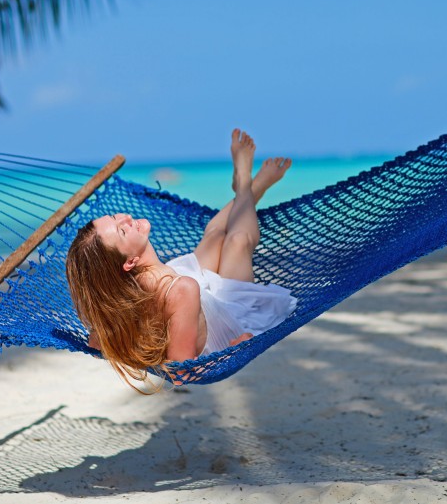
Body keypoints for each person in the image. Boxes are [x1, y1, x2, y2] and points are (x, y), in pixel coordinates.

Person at [65, 129, 296, 390]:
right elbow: (182, 372)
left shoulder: (122, 295)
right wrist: (235, 348)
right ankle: (246, 184)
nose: (126, 218)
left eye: (115, 217)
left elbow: (96, 341)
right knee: (237, 242)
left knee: (215, 234)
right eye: (121, 230)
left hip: (186, 289)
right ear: (128, 262)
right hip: (225, 320)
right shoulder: (180, 291)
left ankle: (248, 188)